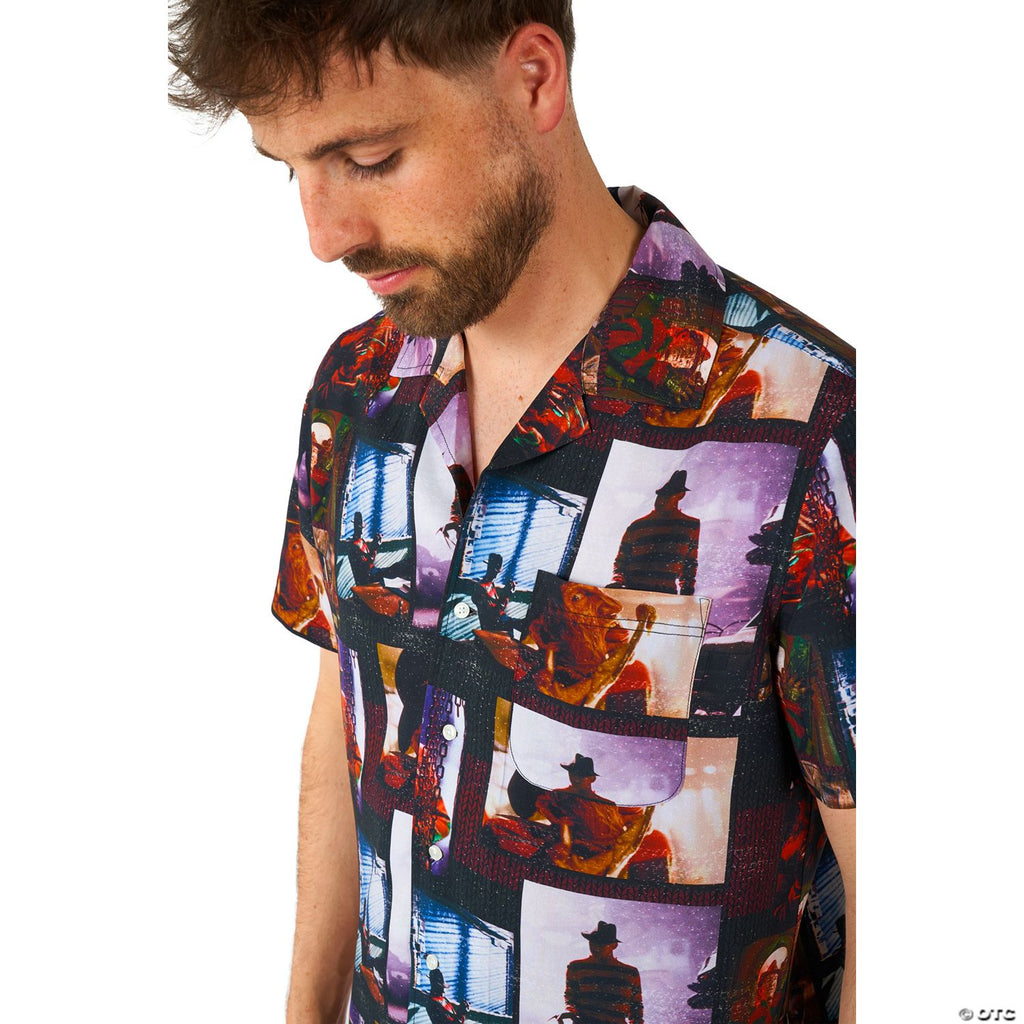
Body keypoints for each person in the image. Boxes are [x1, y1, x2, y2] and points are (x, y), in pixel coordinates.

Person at [168, 3, 856, 1021]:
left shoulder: (805, 424)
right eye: (290, 169)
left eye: (368, 158)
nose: (323, 236)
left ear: (534, 78)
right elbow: (345, 712)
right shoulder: (354, 391)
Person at [610, 469, 700, 594]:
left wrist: (687, 588)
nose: (660, 500)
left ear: (680, 496)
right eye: (660, 495)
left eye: (666, 496)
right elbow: (621, 561)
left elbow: (689, 562)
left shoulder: (690, 526)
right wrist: (618, 581)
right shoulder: (637, 526)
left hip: (660, 592)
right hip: (637, 590)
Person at [564, 921, 643, 1024]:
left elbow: (636, 1008)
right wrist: (570, 1011)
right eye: (593, 942)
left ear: (614, 946)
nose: (595, 947)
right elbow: (570, 998)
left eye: (601, 944)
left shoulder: (630, 973)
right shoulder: (576, 968)